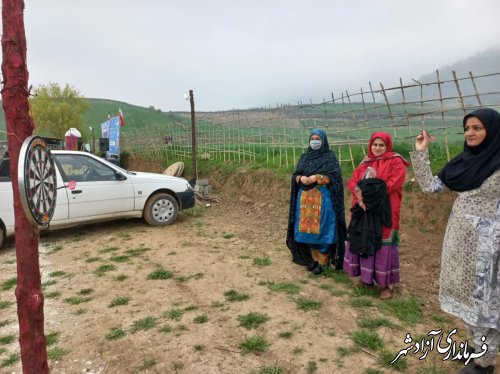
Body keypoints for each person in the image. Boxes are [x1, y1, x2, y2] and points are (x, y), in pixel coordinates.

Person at [411, 108, 500, 374]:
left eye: (477, 128)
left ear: (492, 131)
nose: (470, 133)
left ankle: (485, 362)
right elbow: (431, 187)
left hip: (488, 246)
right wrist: (421, 151)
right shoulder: (463, 162)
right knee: (465, 299)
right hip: (459, 240)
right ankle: (477, 347)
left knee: (483, 301)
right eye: (467, 128)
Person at [343, 132, 410, 299]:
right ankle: (366, 280)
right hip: (363, 208)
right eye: (375, 145)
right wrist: (359, 194)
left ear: (387, 146)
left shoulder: (396, 161)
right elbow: (353, 181)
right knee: (363, 238)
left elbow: (394, 183)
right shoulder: (366, 162)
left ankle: (387, 284)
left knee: (383, 243)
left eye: (381, 145)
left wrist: (369, 193)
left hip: (383, 209)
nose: (377, 148)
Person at [286, 129, 347, 274]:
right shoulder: (304, 157)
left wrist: (316, 177)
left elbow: (335, 178)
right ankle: (314, 261)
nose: (314, 141)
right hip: (305, 201)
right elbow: (296, 174)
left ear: (323, 140)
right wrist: (300, 178)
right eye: (312, 138)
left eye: (317, 138)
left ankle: (323, 262)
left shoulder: (329, 157)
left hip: (324, 199)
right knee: (308, 230)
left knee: (324, 228)